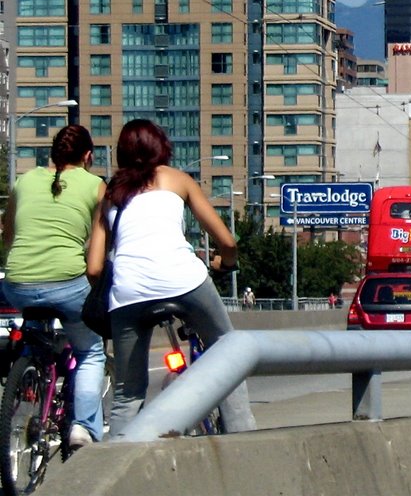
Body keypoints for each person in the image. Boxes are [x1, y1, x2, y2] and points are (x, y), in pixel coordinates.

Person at [88, 119, 256, 437]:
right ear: (161, 148)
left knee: (128, 394)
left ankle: (117, 468)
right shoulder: (178, 179)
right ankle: (242, 438)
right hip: (185, 282)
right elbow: (228, 243)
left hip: (129, 292)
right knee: (229, 352)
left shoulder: (110, 194)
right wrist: (224, 263)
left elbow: (95, 268)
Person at [1, 124, 107, 448]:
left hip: (17, 282)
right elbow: (97, 257)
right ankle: (83, 427)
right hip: (68, 283)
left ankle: (29, 369)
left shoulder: (25, 181)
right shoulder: (96, 186)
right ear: (88, 156)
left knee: (36, 333)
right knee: (90, 351)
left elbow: (7, 235)